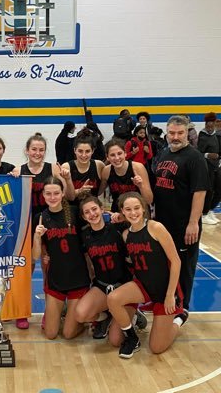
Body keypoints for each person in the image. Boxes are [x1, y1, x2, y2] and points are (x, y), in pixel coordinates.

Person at [107, 192, 185, 359]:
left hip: (165, 290)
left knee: (156, 347)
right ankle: (132, 338)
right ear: (123, 212)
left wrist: (171, 295)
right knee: (113, 298)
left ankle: (178, 320)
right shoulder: (126, 235)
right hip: (143, 286)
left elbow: (176, 261)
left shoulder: (155, 228)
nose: (133, 212)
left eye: (136, 208)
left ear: (143, 209)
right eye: (128, 209)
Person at [14, 133, 75, 329]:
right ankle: (21, 312)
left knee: (49, 268)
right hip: (26, 225)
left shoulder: (53, 169)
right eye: (34, 149)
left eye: (41, 150)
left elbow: (68, 196)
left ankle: (50, 312)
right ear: (27, 150)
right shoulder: (18, 170)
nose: (37, 153)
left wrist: (67, 177)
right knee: (26, 271)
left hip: (50, 222)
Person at [153, 115, 209, 313]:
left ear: (187, 133)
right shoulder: (163, 153)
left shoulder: (195, 158)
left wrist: (194, 222)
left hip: (184, 225)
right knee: (164, 263)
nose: (175, 137)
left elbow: (200, 191)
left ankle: (182, 307)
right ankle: (166, 298)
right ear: (167, 133)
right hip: (162, 222)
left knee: (184, 266)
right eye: (172, 133)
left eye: (180, 133)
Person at [32, 177, 90, 340]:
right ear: (43, 195)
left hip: (77, 278)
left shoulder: (74, 212)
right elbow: (36, 256)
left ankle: (84, 319)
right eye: (48, 193)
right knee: (50, 334)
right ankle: (64, 312)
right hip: (56, 279)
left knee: (68, 334)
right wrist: (37, 237)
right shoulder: (40, 218)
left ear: (63, 193)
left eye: (56, 193)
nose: (52, 197)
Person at [74, 194, 135, 342]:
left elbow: (138, 219)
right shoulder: (84, 236)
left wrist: (120, 216)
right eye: (87, 212)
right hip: (102, 285)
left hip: (123, 285)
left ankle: (133, 315)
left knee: (115, 341)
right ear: (83, 216)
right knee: (81, 315)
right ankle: (106, 316)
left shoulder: (118, 228)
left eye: (94, 209)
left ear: (102, 209)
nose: (92, 214)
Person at [98, 138, 153, 212]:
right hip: (118, 213)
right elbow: (98, 192)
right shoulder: (106, 171)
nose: (117, 158)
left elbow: (149, 200)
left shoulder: (137, 168)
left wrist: (141, 186)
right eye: (112, 155)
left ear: (125, 153)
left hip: (137, 212)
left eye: (119, 153)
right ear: (107, 157)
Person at [61, 130, 105, 205]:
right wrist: (79, 191)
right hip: (72, 209)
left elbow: (100, 192)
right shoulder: (66, 167)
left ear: (93, 151)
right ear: (75, 150)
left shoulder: (99, 165)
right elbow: (68, 197)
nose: (84, 155)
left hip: (92, 210)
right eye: (80, 151)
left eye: (87, 151)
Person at [198, 112, 221, 225]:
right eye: (208, 126)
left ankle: (211, 210)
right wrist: (208, 155)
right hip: (207, 166)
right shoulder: (202, 136)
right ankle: (204, 213)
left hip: (216, 165)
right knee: (209, 190)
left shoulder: (216, 136)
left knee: (218, 189)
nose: (210, 128)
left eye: (212, 126)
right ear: (205, 125)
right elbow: (199, 153)